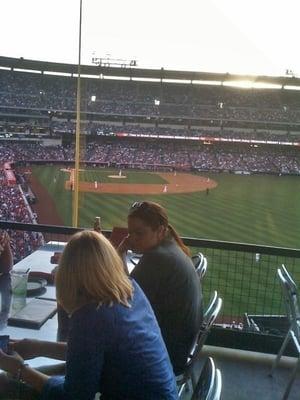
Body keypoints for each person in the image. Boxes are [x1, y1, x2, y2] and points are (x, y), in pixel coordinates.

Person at [0, 231, 178, 400]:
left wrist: (20, 369)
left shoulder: (90, 316)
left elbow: (74, 396)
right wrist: (36, 347)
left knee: (5, 383)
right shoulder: (130, 289)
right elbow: (89, 353)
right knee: (50, 371)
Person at [118, 201, 203, 375]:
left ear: (160, 231)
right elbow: (131, 289)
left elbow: (125, 300)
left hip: (166, 356)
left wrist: (119, 253)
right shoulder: (170, 248)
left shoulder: (156, 258)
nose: (133, 238)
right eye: (130, 233)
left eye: (139, 233)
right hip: (182, 348)